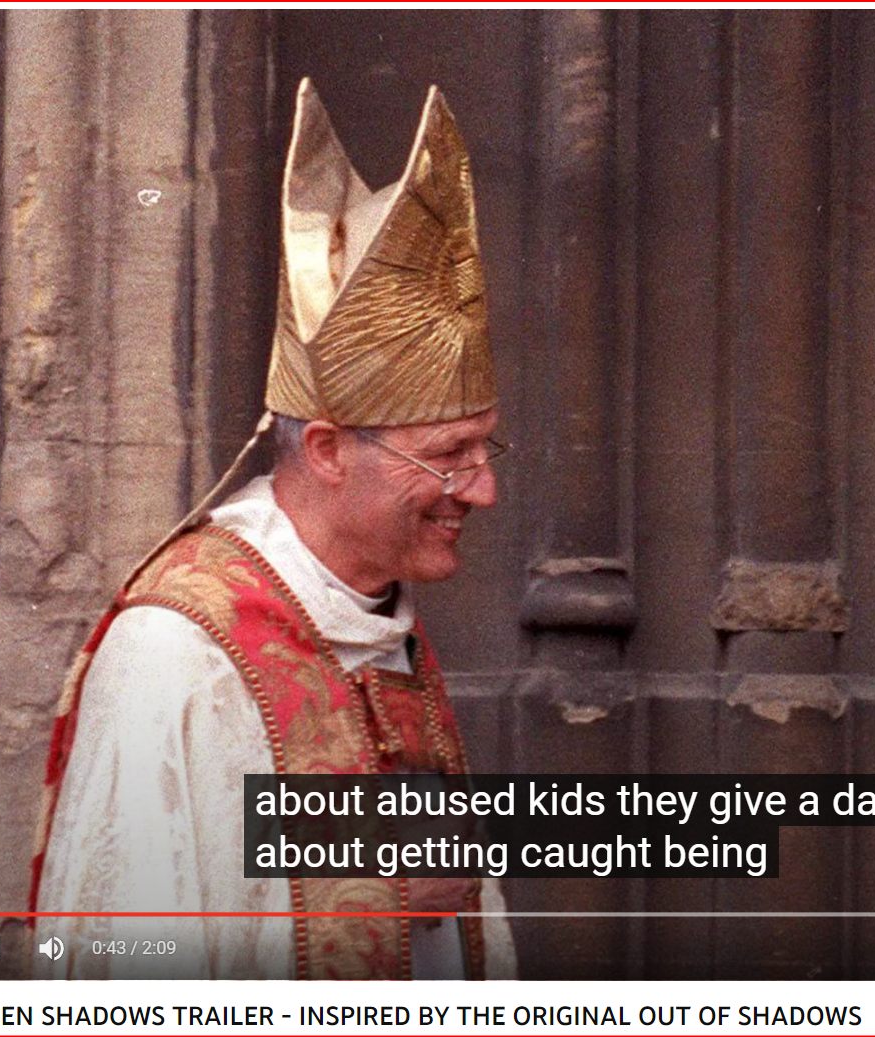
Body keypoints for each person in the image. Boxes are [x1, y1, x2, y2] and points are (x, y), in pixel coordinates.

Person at [31, 79, 517, 980]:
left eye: (486, 449)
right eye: (450, 455)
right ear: (327, 449)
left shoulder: (374, 621)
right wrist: (370, 901)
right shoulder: (178, 649)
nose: (482, 489)